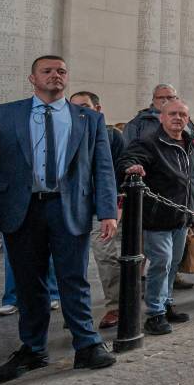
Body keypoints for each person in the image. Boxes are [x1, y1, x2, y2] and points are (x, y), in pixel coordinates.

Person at [0, 55, 119, 382]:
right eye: (47, 71)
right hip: (22, 209)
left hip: (68, 207)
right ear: (32, 78)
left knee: (73, 279)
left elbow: (102, 167)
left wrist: (107, 211)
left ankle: (86, 345)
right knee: (30, 283)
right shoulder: (5, 115)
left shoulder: (88, 119)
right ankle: (32, 349)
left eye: (61, 71)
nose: (55, 76)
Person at [119, 100, 194, 337]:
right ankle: (154, 313)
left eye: (183, 114)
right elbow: (127, 160)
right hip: (158, 217)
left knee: (173, 264)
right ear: (161, 118)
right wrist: (132, 167)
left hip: (183, 216)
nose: (178, 118)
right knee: (161, 263)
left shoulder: (191, 145)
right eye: (173, 114)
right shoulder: (148, 143)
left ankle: (166, 304)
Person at [69, 91, 125, 328]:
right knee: (72, 261)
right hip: (71, 208)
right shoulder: (66, 133)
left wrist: (114, 209)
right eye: (73, 107)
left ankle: (116, 306)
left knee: (106, 256)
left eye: (84, 106)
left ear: (98, 109)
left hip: (103, 209)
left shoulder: (113, 136)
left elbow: (118, 174)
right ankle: (75, 309)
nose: (78, 111)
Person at [123, 83, 194, 142]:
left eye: (169, 97)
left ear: (177, 99)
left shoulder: (185, 119)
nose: (165, 100)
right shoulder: (137, 123)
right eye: (161, 97)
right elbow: (128, 152)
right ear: (153, 100)